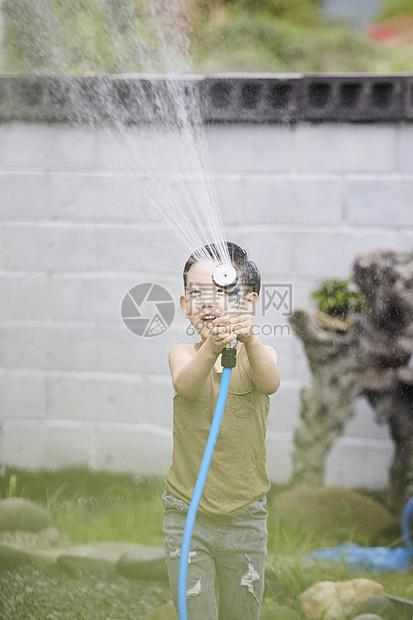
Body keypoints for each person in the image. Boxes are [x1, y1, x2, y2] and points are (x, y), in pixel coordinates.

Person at [163, 241, 280, 620]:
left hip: (245, 516)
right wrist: (211, 348)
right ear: (184, 306)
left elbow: (270, 381)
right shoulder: (182, 354)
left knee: (242, 611)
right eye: (196, 294)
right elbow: (186, 384)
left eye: (219, 292)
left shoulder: (260, 355)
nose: (207, 302)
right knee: (195, 611)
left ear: (248, 304)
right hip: (188, 514)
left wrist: (249, 339)